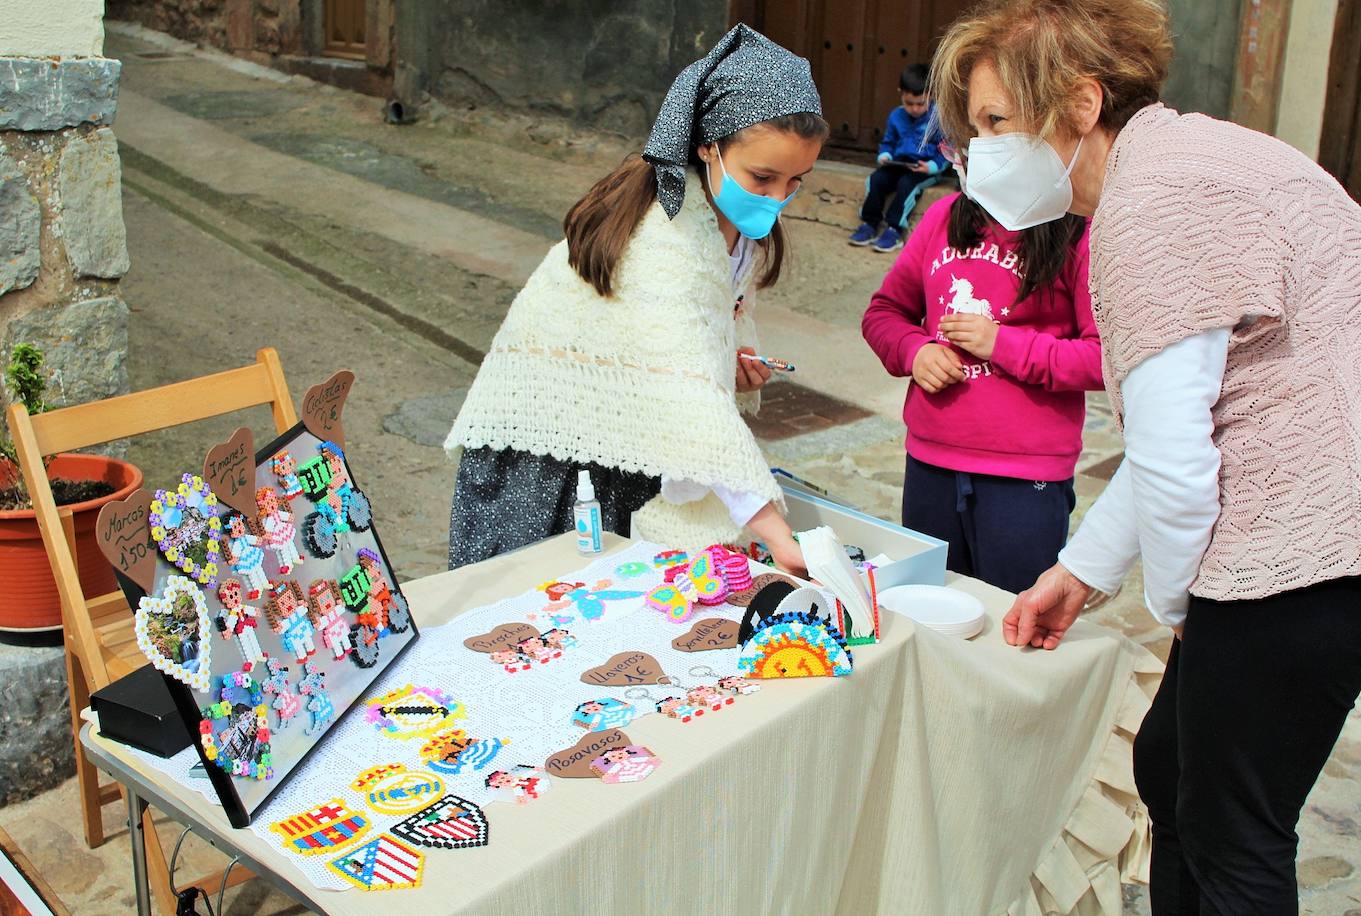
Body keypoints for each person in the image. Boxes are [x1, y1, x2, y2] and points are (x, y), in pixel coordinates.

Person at [928, 1, 1361, 912]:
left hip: (1312, 535)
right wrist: (1080, 572)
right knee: (1170, 766)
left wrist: (1179, 612)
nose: (982, 153)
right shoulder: (1196, 155)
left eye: (999, 122)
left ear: (1081, 103)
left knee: (1231, 829)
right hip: (1328, 507)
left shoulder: (1152, 206)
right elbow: (1197, 420)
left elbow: (1177, 465)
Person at [445, 25, 826, 575]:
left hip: (630, 448)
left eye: (796, 181)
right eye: (763, 177)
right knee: (540, 606)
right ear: (708, 145)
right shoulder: (664, 239)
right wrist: (777, 534)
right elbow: (691, 406)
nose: (778, 197)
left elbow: (699, 336)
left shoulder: (730, 223)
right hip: (551, 459)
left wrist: (727, 362)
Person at [861, 189, 1101, 593]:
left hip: (1025, 478)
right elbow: (884, 312)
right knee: (928, 604)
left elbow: (1102, 357)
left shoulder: (1080, 231)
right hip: (930, 464)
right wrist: (914, 351)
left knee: (1014, 613)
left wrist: (1002, 345)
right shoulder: (944, 215)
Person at [848, 63, 950, 253]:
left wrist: (932, 167)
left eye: (920, 104)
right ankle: (869, 223)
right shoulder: (896, 116)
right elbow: (888, 141)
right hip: (898, 163)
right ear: (901, 93)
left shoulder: (939, 119)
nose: (915, 109)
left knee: (906, 185)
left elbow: (947, 149)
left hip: (924, 168)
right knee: (876, 179)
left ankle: (894, 229)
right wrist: (885, 155)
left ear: (931, 95)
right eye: (909, 103)